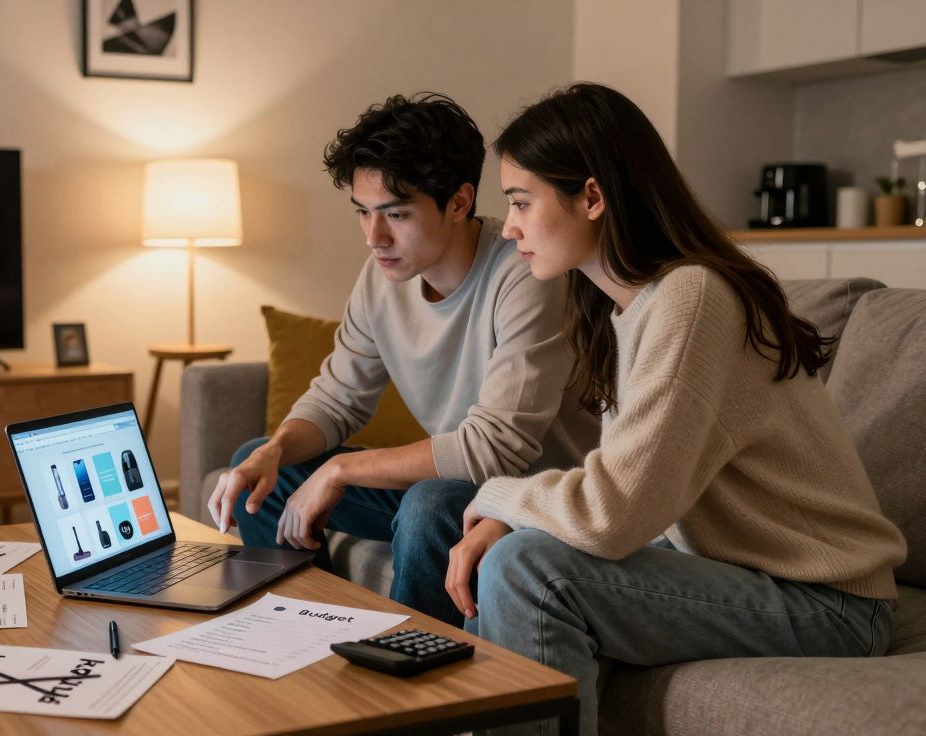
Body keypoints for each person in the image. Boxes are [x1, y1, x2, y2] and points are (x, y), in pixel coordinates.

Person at [440, 83, 907, 736]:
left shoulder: (693, 300)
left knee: (528, 569)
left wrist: (498, 499)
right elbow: (634, 500)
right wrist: (512, 518)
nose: (509, 225)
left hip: (829, 604)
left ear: (593, 197)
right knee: (508, 553)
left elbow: (613, 513)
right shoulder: (628, 311)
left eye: (521, 201)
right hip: (741, 579)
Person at [206, 92, 599, 625]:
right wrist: (274, 452)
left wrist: (343, 469)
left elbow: (494, 452)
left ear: (459, 203)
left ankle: (408, 677)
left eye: (396, 214)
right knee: (262, 468)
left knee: (429, 504)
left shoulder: (526, 274)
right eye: (363, 214)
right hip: (454, 487)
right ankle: (302, 632)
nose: (375, 237)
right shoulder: (383, 276)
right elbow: (337, 399)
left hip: (530, 501)